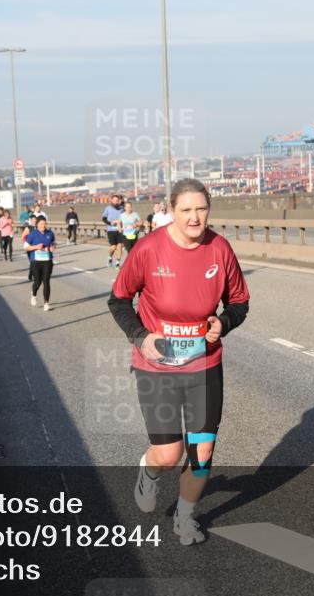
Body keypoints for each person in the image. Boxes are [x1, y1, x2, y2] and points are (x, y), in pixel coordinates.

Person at [108, 179, 250, 545]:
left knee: (202, 452)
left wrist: (225, 322)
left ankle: (185, 517)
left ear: (209, 210)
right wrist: (142, 337)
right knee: (169, 454)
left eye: (200, 209)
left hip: (204, 366)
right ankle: (149, 472)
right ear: (171, 211)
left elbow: (239, 302)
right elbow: (119, 301)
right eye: (185, 210)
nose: (194, 217)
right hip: (157, 367)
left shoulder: (219, 248)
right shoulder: (148, 249)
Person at [25, 217, 57, 311]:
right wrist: (35, 247)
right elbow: (26, 247)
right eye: (41, 224)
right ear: (37, 224)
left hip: (47, 260)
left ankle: (46, 303)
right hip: (36, 261)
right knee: (38, 282)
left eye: (44, 223)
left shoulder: (50, 233)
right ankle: (34, 294)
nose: (43, 225)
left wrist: (53, 247)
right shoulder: (32, 234)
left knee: (46, 281)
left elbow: (54, 242)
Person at [103, 194, 125, 268]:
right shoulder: (108, 208)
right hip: (111, 230)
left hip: (119, 230)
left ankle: (118, 262)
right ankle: (110, 257)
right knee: (113, 247)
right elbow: (104, 218)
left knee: (119, 247)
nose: (116, 201)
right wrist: (110, 223)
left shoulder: (122, 208)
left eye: (117, 200)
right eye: (114, 200)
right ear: (111, 200)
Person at [22, 214, 38, 281]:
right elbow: (23, 237)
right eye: (33, 219)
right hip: (29, 248)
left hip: (36, 247)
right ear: (31, 220)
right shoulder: (28, 228)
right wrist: (26, 245)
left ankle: (31, 274)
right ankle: (33, 275)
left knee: (35, 262)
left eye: (35, 219)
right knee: (32, 262)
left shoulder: (38, 227)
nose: (34, 220)